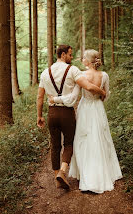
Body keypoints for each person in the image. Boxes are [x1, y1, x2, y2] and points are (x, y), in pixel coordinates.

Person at [49, 49, 122, 194]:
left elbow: (73, 97)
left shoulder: (81, 75)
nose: (81, 59)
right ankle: (102, 172)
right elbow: (106, 96)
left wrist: (55, 99)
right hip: (98, 108)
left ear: (88, 61)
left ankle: (86, 174)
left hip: (85, 109)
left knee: (83, 140)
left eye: (83, 58)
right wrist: (100, 95)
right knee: (101, 138)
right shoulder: (104, 75)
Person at [36, 45, 106, 190]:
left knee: (55, 145)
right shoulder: (72, 70)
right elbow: (88, 87)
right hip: (67, 113)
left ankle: (57, 176)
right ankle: (62, 171)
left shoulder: (44, 73)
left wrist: (39, 116)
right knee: (68, 143)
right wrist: (102, 92)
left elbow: (40, 96)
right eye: (69, 54)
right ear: (62, 55)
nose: (72, 57)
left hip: (52, 113)